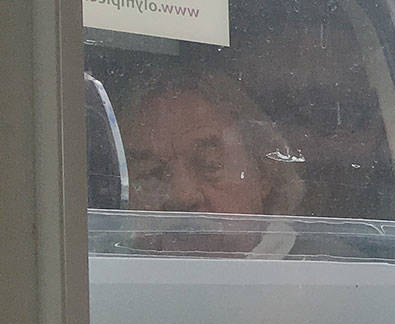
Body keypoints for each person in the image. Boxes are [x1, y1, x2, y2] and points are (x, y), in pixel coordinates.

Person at [114, 63, 309, 255]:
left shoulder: (320, 274)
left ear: (263, 173)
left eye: (209, 164)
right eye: (150, 173)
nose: (181, 196)